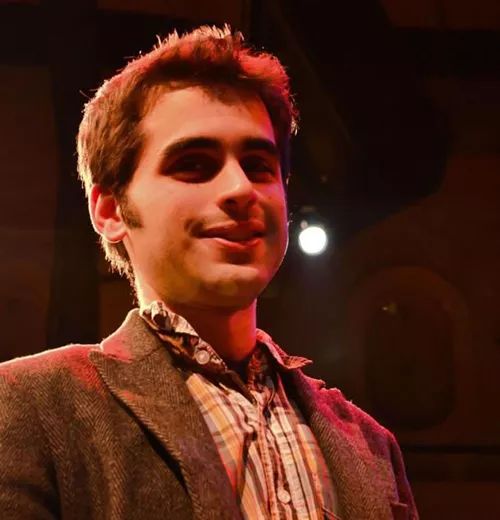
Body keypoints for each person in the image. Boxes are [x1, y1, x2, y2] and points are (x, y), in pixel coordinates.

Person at [0, 25, 418, 519]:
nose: (241, 189)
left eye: (259, 166)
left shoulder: (371, 444)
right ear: (110, 210)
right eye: (194, 165)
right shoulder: (29, 408)